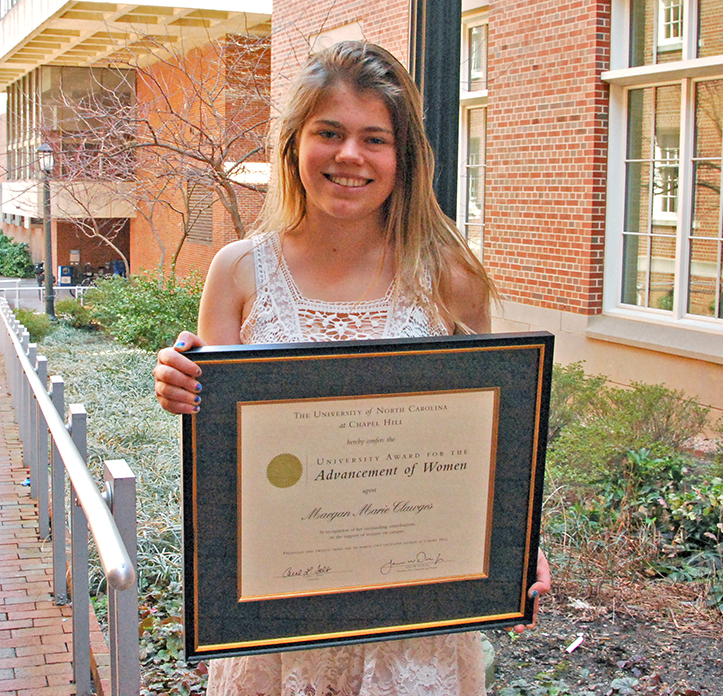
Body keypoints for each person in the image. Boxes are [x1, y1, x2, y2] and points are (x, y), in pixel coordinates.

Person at [154, 41, 551, 696]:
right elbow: (219, 459)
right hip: (279, 620)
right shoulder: (237, 270)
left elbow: (486, 439)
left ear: (403, 158)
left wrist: (512, 537)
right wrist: (183, 387)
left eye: (374, 139)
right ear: (294, 145)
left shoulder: (448, 276)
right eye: (329, 133)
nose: (349, 156)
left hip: (412, 621)